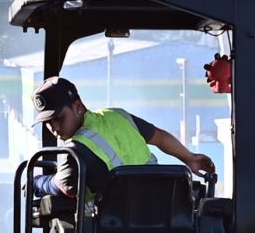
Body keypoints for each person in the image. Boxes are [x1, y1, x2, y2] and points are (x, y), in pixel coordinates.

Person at [30, 76, 214, 198]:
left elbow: (64, 187)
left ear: (78, 106)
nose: (53, 127)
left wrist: (38, 183)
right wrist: (190, 158)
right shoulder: (116, 116)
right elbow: (160, 137)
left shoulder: (74, 150)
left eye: (58, 118)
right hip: (161, 215)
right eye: (47, 122)